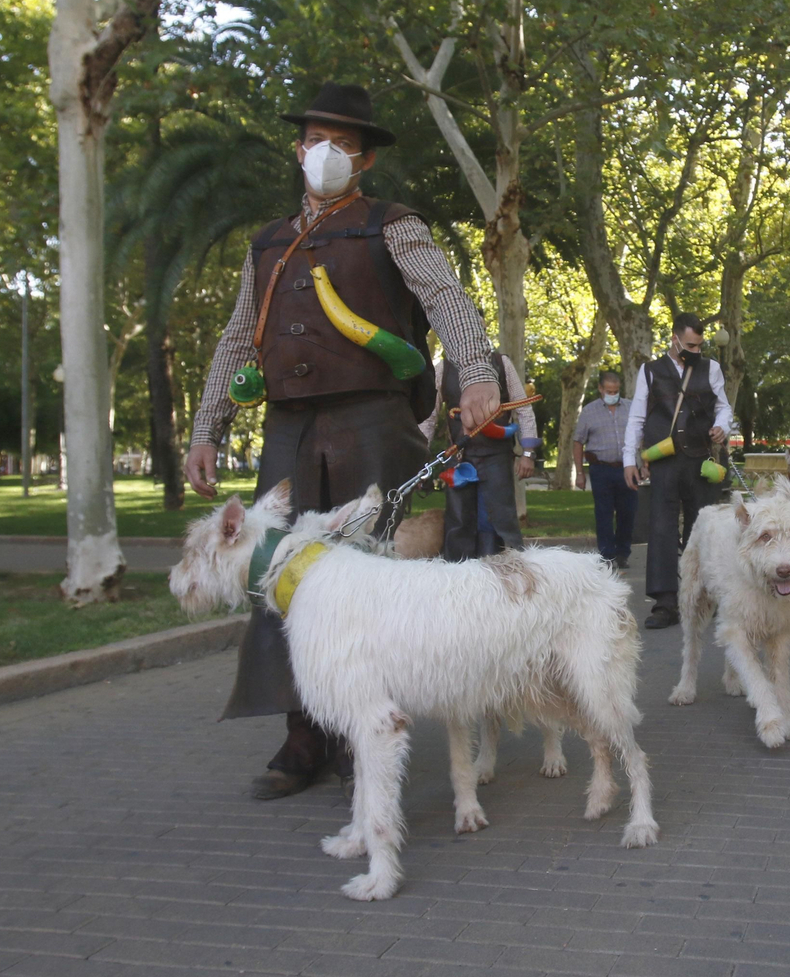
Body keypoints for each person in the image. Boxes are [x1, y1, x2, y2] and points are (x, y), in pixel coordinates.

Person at [185, 82, 501, 801]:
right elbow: (240, 336)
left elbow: (446, 298)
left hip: (375, 424)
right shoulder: (266, 243)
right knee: (281, 582)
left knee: (383, 579)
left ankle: (371, 734)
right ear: (298, 151)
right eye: (314, 141)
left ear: (363, 162)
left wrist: (475, 372)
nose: (325, 154)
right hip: (288, 431)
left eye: (343, 145)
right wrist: (207, 429)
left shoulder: (394, 225)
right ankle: (305, 737)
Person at [622, 313, 733, 630]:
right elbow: (637, 418)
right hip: (665, 461)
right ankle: (665, 603)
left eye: (699, 345)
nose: (695, 351)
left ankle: (704, 597)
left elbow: (723, 406)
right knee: (661, 528)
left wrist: (721, 426)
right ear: (674, 339)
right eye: (689, 345)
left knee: (704, 529)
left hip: (701, 460)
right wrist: (629, 459)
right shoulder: (650, 371)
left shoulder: (711, 368)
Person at [418, 352, 536, 560]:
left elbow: (523, 409)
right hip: (459, 456)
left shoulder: (502, 363)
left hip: (497, 458)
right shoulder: (443, 369)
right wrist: (420, 463)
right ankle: (457, 580)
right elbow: (429, 417)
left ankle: (504, 578)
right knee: (459, 521)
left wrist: (528, 453)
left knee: (497, 521)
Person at [573, 370, 637, 569]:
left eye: (616, 390)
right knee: (604, 513)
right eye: (609, 390)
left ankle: (623, 552)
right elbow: (578, 442)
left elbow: (639, 437)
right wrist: (580, 473)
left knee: (628, 512)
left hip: (626, 469)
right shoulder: (589, 412)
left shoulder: (630, 408)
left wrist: (643, 466)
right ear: (600, 389)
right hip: (600, 469)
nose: (612, 394)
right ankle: (607, 554)